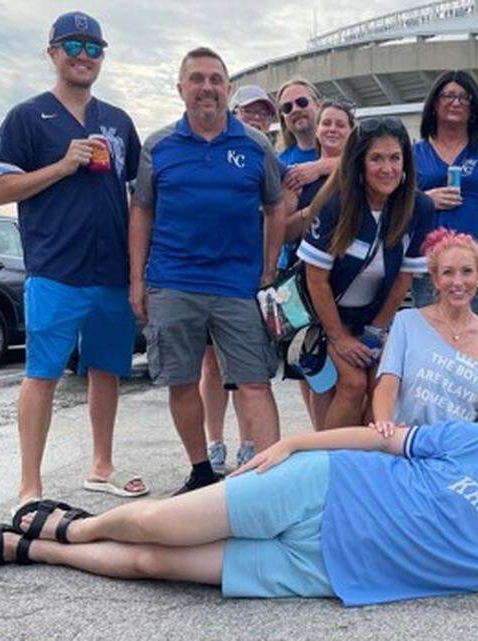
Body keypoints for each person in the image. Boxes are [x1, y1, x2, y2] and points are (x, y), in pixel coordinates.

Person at [0, 417, 478, 606]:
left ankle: (42, 548)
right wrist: (295, 440)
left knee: (158, 563)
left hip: (323, 570)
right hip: (321, 485)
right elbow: (377, 434)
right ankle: (72, 522)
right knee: (156, 522)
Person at [0, 11, 147, 505]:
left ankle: (101, 466)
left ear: (102, 57)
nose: (83, 55)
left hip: (110, 272)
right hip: (54, 269)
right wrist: (62, 165)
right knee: (43, 374)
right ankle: (30, 483)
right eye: (73, 45)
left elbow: (140, 199)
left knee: (105, 369)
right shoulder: (27, 117)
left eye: (93, 48)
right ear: (52, 52)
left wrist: (138, 273)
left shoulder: (118, 121)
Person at [129, 47, 285, 495]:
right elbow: (141, 212)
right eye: (197, 79)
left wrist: (269, 267)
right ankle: (200, 471)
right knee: (181, 380)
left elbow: (276, 208)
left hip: (238, 286)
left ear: (228, 89)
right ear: (181, 89)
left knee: (254, 381)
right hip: (172, 282)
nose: (207, 87)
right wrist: (137, 279)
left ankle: (270, 479)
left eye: (216, 79)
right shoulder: (158, 147)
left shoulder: (256, 146)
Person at [296, 116, 436, 429]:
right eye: (376, 158)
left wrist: (375, 332)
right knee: (353, 384)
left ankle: (366, 462)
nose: (387, 168)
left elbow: (403, 279)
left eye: (395, 158)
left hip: (376, 319)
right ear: (359, 163)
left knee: (383, 384)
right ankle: (329, 463)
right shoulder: (334, 204)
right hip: (330, 318)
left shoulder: (419, 207)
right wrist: (339, 337)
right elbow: (315, 279)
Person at [199, 85, 281, 474]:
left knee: (249, 369)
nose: (258, 118)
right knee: (212, 365)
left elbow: (279, 210)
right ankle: (214, 441)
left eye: (265, 113)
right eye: (250, 111)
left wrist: (268, 269)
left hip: (251, 278)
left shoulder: (265, 154)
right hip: (209, 274)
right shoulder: (215, 148)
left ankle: (250, 443)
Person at [370, 228, 478, 432]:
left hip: (460, 450)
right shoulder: (406, 322)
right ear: (435, 279)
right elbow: (388, 383)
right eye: (448, 272)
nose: (458, 282)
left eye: (467, 271)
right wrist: (384, 422)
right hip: (410, 442)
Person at [412, 70, 478, 317]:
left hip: (472, 269)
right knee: (430, 343)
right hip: (428, 267)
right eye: (448, 95)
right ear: (434, 104)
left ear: (473, 108)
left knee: (470, 345)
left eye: (464, 97)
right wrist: (425, 201)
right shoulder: (415, 153)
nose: (456, 102)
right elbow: (392, 203)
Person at [278, 100, 356, 430]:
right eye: (327, 123)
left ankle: (339, 440)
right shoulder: (300, 175)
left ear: (352, 131)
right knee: (315, 368)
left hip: (352, 280)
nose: (333, 129)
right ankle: (320, 436)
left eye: (341, 124)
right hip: (309, 281)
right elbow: (283, 229)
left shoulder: (359, 169)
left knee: (351, 373)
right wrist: (315, 212)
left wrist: (328, 167)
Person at [275, 78, 337, 191]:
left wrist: (319, 168)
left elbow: (361, 163)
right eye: (287, 107)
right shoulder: (280, 162)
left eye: (302, 102)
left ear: (319, 105)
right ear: (283, 117)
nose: (295, 110)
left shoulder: (344, 147)